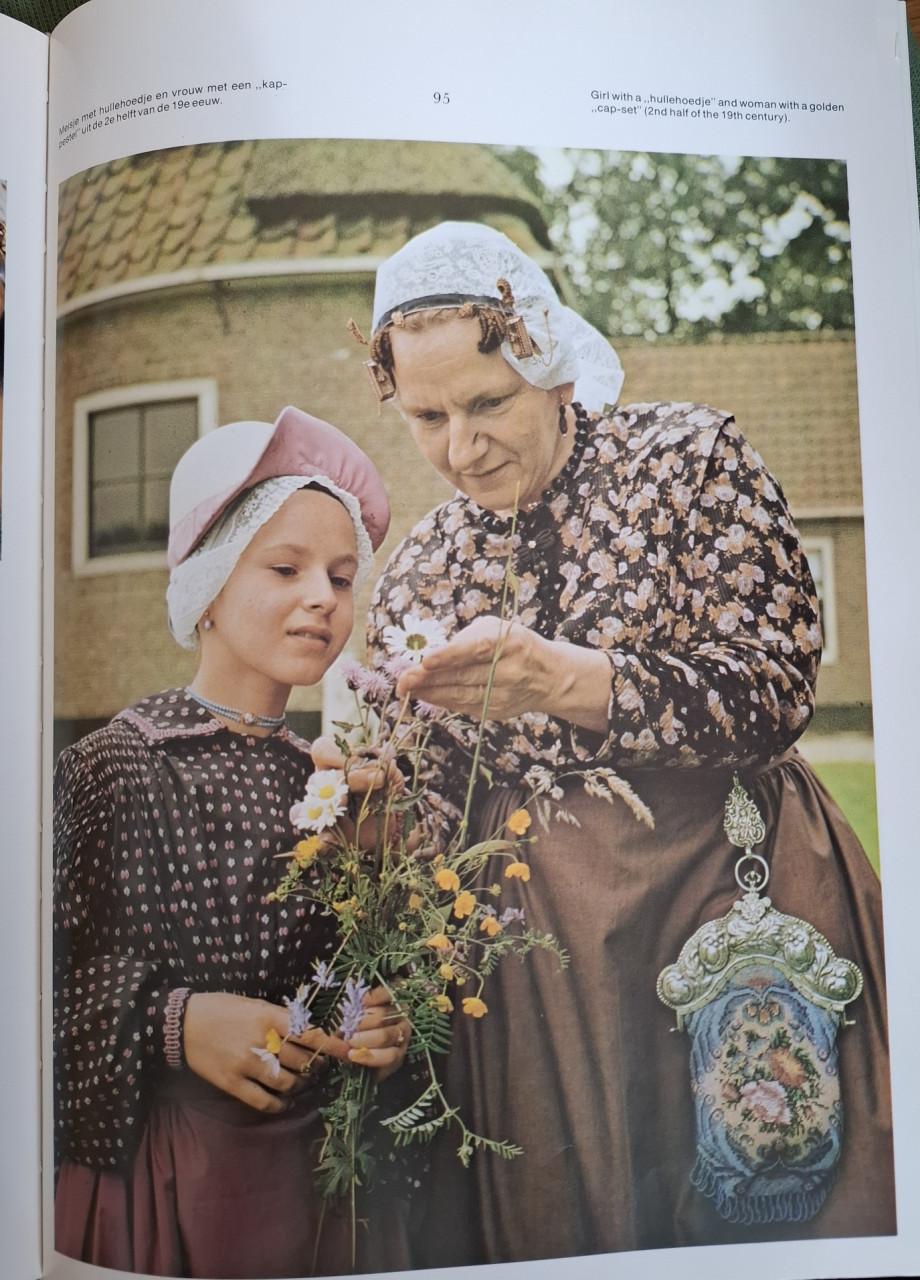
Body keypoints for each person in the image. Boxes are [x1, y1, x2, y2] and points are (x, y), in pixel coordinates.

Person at [358, 222, 895, 1263]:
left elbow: (773, 683)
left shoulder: (689, 461)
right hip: (543, 979)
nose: (459, 447)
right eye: (425, 416)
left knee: (768, 1185)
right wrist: (370, 813)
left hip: (734, 908)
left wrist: (568, 680)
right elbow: (424, 804)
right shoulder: (418, 568)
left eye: (486, 404)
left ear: (551, 367)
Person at [53, 406, 414, 1279]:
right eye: (284, 568)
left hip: (320, 1191)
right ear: (207, 585)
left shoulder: (334, 782)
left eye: (339, 575)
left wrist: (382, 1015)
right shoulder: (117, 764)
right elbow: (36, 987)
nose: (322, 598)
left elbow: (350, 966)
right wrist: (176, 1025)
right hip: (166, 1179)